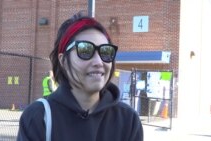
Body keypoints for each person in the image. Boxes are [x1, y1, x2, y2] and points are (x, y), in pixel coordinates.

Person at [17, 11, 143, 141]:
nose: (98, 62)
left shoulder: (128, 120)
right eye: (85, 50)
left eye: (106, 51)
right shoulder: (38, 118)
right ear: (63, 61)